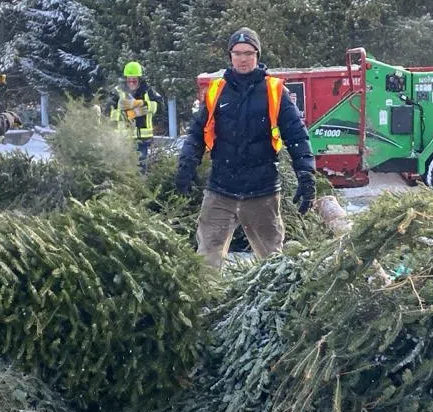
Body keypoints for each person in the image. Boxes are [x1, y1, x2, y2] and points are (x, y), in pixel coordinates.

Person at [175, 28, 316, 268]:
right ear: (230, 56)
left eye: (248, 53)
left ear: (257, 55)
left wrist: (306, 175)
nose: (242, 58)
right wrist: (187, 164)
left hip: (262, 192)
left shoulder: (274, 91)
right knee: (207, 257)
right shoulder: (216, 90)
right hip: (220, 189)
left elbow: (296, 136)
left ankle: (273, 304)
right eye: (237, 53)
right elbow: (196, 133)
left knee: (272, 261)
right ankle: (207, 303)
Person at [110, 60, 162, 172]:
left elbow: (160, 106)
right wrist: (127, 115)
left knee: (140, 170)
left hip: (142, 140)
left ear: (139, 79)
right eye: (129, 80)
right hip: (124, 139)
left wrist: (144, 104)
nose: (131, 83)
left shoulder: (147, 91)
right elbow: (108, 114)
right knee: (124, 170)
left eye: (134, 80)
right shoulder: (117, 92)